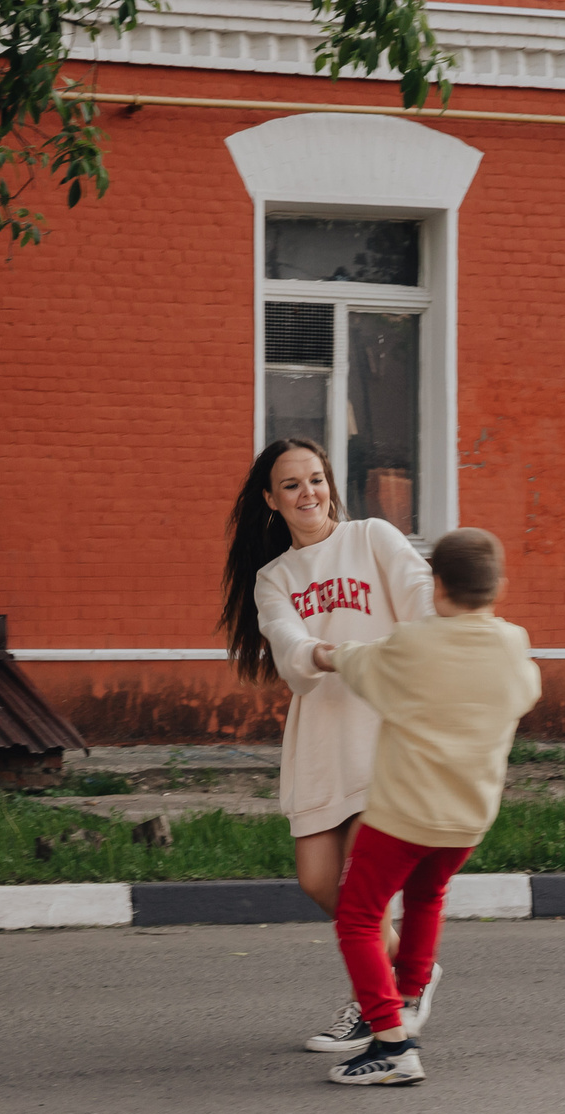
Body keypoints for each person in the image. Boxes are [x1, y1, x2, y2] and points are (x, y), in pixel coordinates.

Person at [219, 437, 435, 1052]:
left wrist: (432, 646)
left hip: (384, 729)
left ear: (329, 483)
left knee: (363, 885)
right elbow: (289, 648)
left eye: (315, 479)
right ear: (271, 500)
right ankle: (404, 977)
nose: (307, 493)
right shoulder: (274, 577)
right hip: (320, 737)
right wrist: (329, 654)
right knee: (319, 882)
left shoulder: (374, 538)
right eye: (291, 485)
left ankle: (379, 1004)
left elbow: (420, 601)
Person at [307, 528, 542, 1087]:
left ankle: (390, 1043)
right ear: (499, 588)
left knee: (359, 917)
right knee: (427, 896)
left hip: (403, 815)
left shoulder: (412, 645)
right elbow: (527, 690)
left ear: (436, 586)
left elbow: (360, 665)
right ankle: (409, 998)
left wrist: (323, 652)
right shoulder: (512, 645)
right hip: (467, 818)